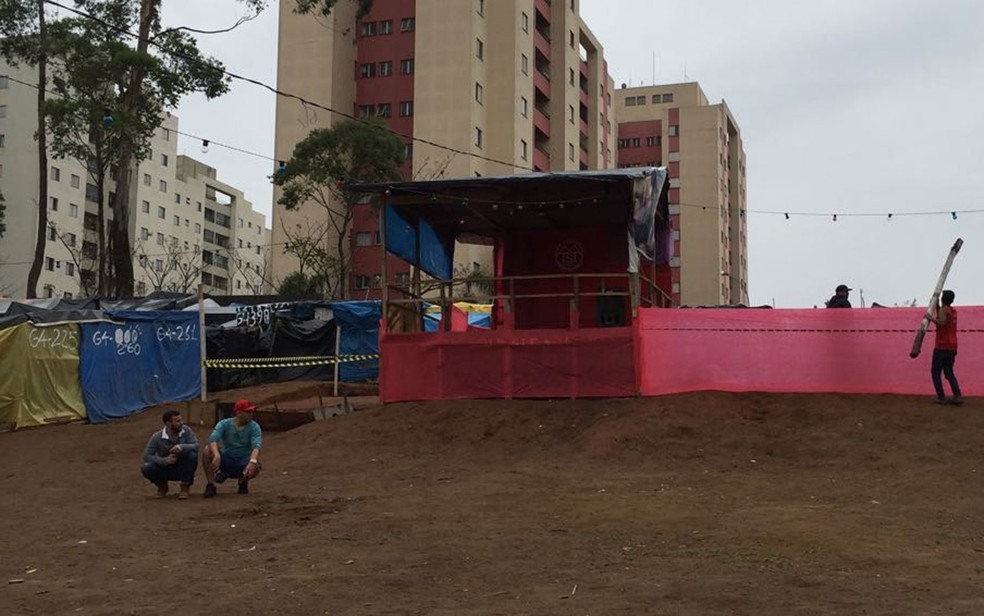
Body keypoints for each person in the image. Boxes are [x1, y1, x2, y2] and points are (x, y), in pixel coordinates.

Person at [202, 399, 263, 498]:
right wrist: (216, 455)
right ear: (238, 412)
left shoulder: (254, 426)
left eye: (251, 411)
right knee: (207, 450)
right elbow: (212, 438)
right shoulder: (224, 424)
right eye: (248, 412)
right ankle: (211, 484)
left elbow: (256, 445)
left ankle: (243, 480)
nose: (251, 414)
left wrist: (252, 461)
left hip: (244, 460)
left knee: (256, 466)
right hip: (227, 458)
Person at [141, 410, 199, 499]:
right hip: (165, 468)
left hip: (183, 467)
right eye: (177, 421)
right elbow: (147, 456)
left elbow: (196, 446)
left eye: (181, 420)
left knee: (192, 455)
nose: (181, 423)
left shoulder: (186, 431)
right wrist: (164, 460)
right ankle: (162, 486)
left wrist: (181, 447)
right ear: (168, 423)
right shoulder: (157, 437)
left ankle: (185, 486)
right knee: (147, 467)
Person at [927, 290, 962, 406]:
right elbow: (944, 318)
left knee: (935, 372)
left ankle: (941, 397)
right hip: (952, 346)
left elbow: (941, 322)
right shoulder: (953, 311)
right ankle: (957, 395)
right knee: (949, 372)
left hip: (942, 346)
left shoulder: (944, 310)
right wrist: (936, 306)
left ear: (943, 299)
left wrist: (929, 318)